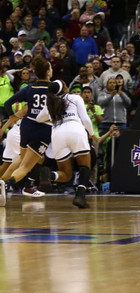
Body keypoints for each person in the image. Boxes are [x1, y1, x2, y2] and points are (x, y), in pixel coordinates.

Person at [1, 58, 55, 204]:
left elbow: (8, 103)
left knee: (22, 158)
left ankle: (7, 181)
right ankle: (6, 185)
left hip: (26, 126)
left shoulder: (30, 88)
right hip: (43, 129)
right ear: (48, 72)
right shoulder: (54, 89)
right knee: (26, 166)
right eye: (50, 68)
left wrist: (12, 117)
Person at [37, 80, 97, 208]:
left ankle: (50, 175)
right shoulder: (74, 97)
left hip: (57, 133)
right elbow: (85, 119)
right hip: (75, 128)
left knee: (66, 174)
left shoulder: (50, 103)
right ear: (64, 89)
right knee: (85, 166)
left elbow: (39, 119)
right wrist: (91, 134)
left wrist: (51, 118)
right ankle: (80, 196)